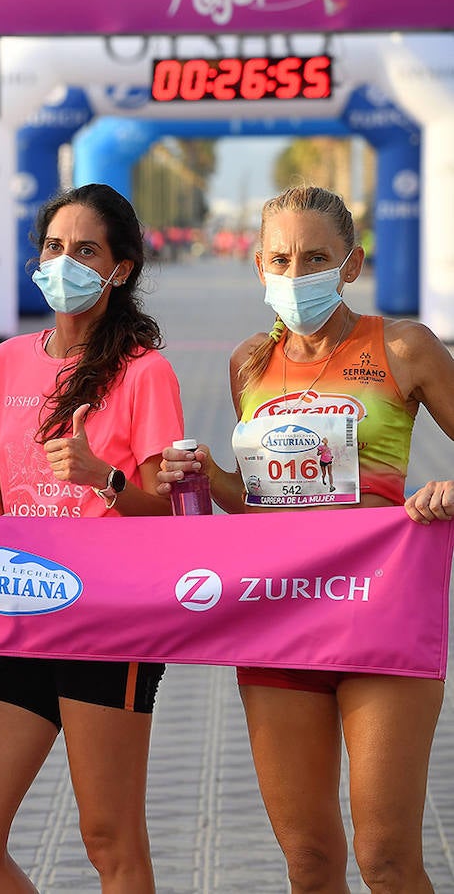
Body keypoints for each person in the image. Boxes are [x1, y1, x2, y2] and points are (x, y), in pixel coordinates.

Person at [156, 185, 454, 894]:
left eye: (316, 258)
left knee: (385, 859)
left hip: (380, 615)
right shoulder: (248, 362)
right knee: (311, 863)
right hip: (279, 619)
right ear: (259, 265)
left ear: (350, 265)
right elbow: (258, 499)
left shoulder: (404, 345)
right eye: (282, 259)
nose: (296, 275)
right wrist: (201, 477)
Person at [0, 183, 184, 893]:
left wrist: (103, 479)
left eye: (86, 250)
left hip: (112, 622)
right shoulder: (8, 360)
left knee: (110, 843)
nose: (65, 263)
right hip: (28, 613)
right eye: (54, 247)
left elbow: (172, 523)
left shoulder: (146, 372)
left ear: (121, 270)